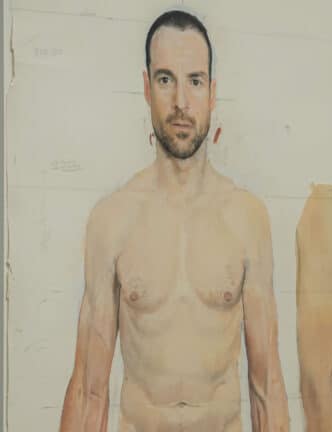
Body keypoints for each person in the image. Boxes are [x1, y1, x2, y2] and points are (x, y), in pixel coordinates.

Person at [60, 11, 289, 432]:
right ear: (147, 88)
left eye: (195, 81)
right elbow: (88, 392)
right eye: (166, 79)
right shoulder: (112, 220)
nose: (181, 101)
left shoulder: (247, 219)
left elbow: (267, 388)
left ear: (212, 92)